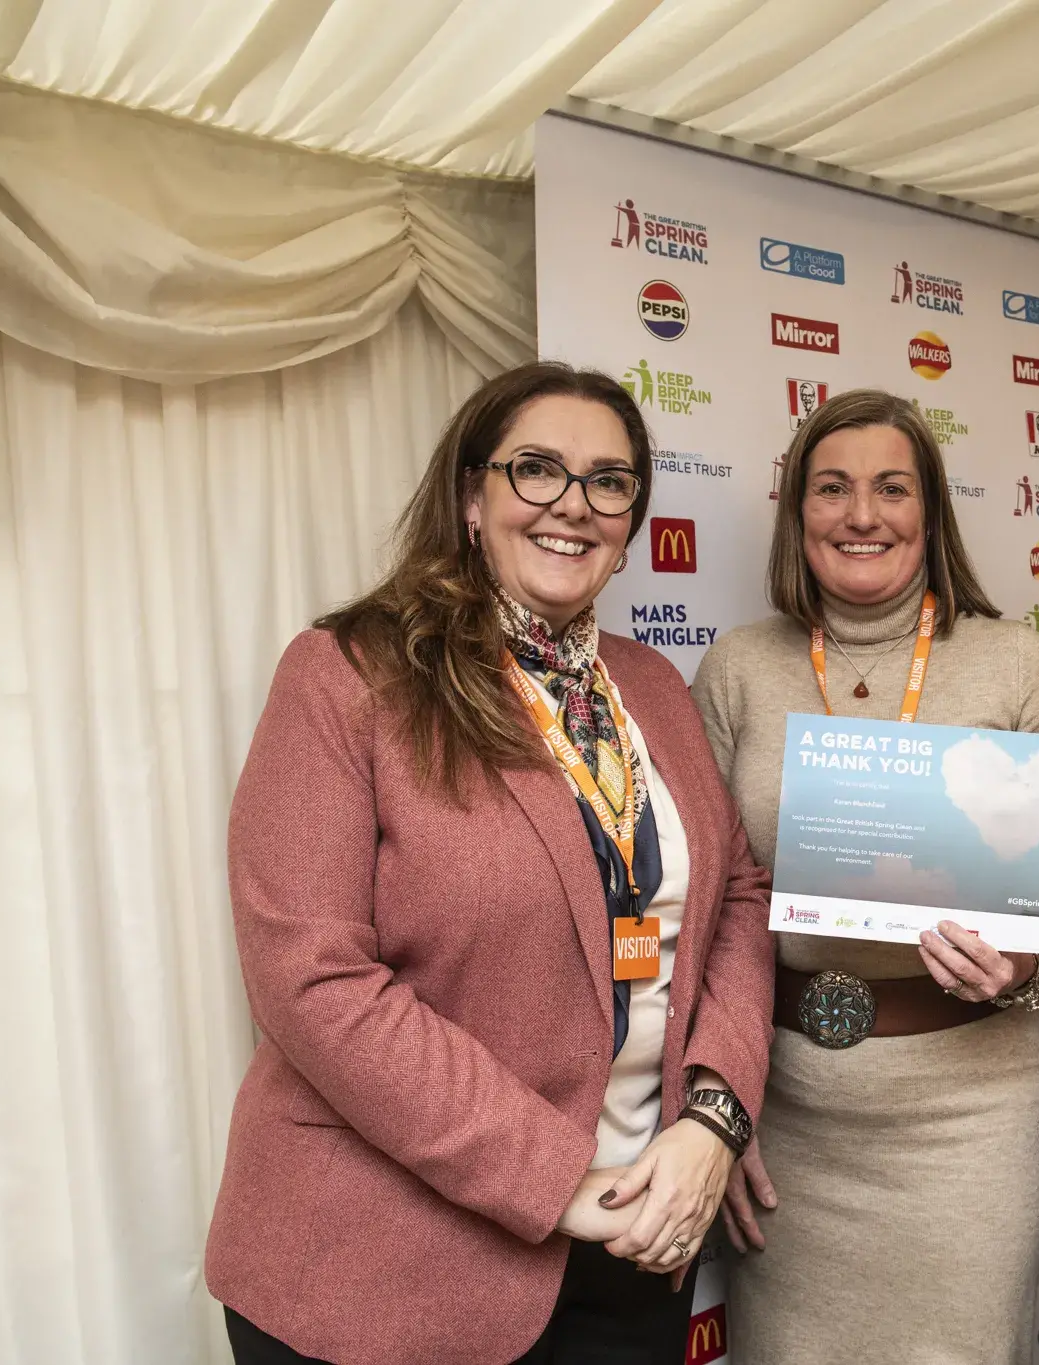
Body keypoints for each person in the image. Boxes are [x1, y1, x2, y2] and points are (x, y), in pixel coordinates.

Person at [203, 362, 775, 1365]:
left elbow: (733, 898)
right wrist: (559, 1181)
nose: (572, 504)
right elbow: (312, 981)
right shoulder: (348, 676)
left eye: (608, 481)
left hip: (635, 1240)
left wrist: (712, 1119)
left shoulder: (652, 687)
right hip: (385, 1269)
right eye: (536, 469)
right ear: (472, 498)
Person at [690, 389, 1039, 1365]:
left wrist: (1021, 963)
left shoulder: (1014, 663)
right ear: (798, 516)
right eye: (830, 489)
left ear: (930, 512)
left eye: (890, 488)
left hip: (966, 1124)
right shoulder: (738, 668)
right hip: (787, 1119)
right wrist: (718, 1113)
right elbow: (705, 909)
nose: (861, 514)